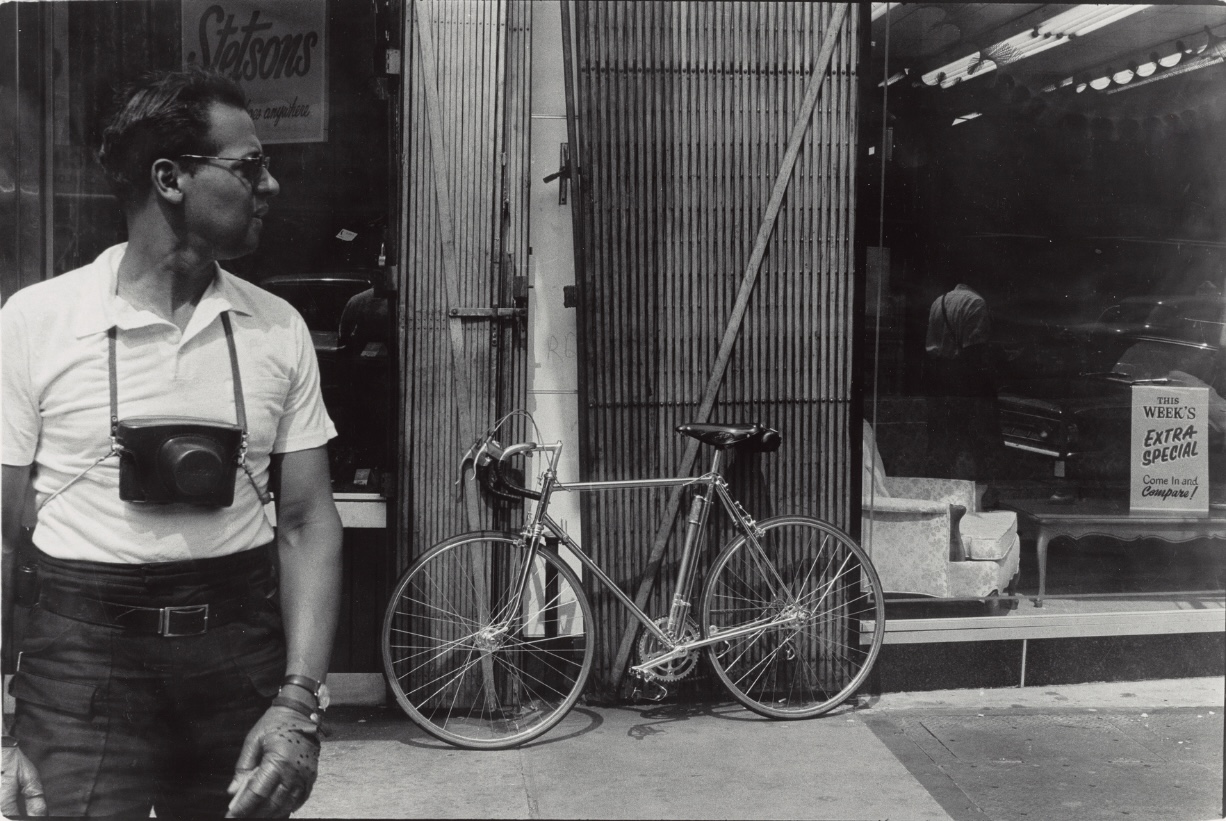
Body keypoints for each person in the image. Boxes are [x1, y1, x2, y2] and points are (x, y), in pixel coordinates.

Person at [1, 66, 343, 818]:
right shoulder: (36, 322)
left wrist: (298, 702)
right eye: (249, 165)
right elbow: (1, 532)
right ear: (170, 178)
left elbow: (308, 520)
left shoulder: (278, 328)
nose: (272, 185)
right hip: (81, 661)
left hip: (235, 657)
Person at [924, 280, 999, 480]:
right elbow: (975, 349)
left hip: (938, 377)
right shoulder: (976, 303)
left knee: (942, 440)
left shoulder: (939, 301)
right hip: (963, 377)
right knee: (972, 440)